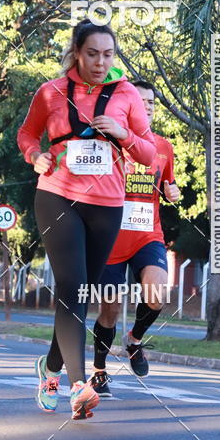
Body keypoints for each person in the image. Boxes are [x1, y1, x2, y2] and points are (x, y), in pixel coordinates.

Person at [17, 20, 156, 419]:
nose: (100, 62)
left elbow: (149, 154)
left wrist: (123, 134)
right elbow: (27, 135)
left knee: (81, 294)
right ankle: (79, 386)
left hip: (108, 204)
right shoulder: (51, 91)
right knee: (71, 287)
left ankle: (50, 368)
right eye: (92, 53)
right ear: (77, 52)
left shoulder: (127, 94)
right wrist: (34, 156)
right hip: (57, 194)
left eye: (108, 54)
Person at [90, 80, 180, 396]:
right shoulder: (108, 145)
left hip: (147, 236)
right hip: (111, 240)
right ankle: (99, 371)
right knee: (109, 310)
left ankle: (135, 339)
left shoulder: (163, 147)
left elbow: (169, 185)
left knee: (157, 292)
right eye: (141, 101)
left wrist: (172, 192)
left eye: (152, 102)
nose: (148, 107)